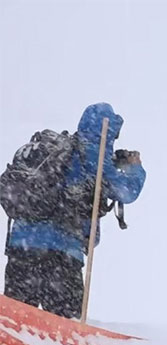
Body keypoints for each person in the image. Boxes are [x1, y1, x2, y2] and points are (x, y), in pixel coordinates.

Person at [1, 103, 146, 318]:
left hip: (22, 246)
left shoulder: (60, 151)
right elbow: (126, 192)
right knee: (63, 322)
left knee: (15, 319)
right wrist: (135, 167)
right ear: (110, 130)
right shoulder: (94, 155)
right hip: (61, 253)